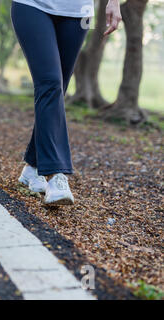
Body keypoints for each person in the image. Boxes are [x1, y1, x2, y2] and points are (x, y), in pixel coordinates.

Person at [11, 0, 121, 205]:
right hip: (32, 5)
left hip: (78, 12)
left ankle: (32, 168)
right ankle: (55, 175)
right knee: (50, 83)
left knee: (57, 90)